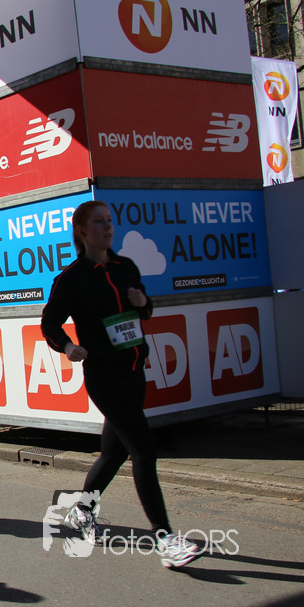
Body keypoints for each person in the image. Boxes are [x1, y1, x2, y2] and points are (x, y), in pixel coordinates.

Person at [41, 200, 202, 569]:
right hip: (104, 375)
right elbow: (49, 323)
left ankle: (81, 512)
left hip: (133, 369)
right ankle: (165, 539)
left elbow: (145, 310)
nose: (108, 227)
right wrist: (67, 346)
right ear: (82, 231)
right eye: (100, 222)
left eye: (110, 221)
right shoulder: (72, 278)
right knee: (144, 451)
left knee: (113, 453)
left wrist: (143, 301)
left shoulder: (125, 267)